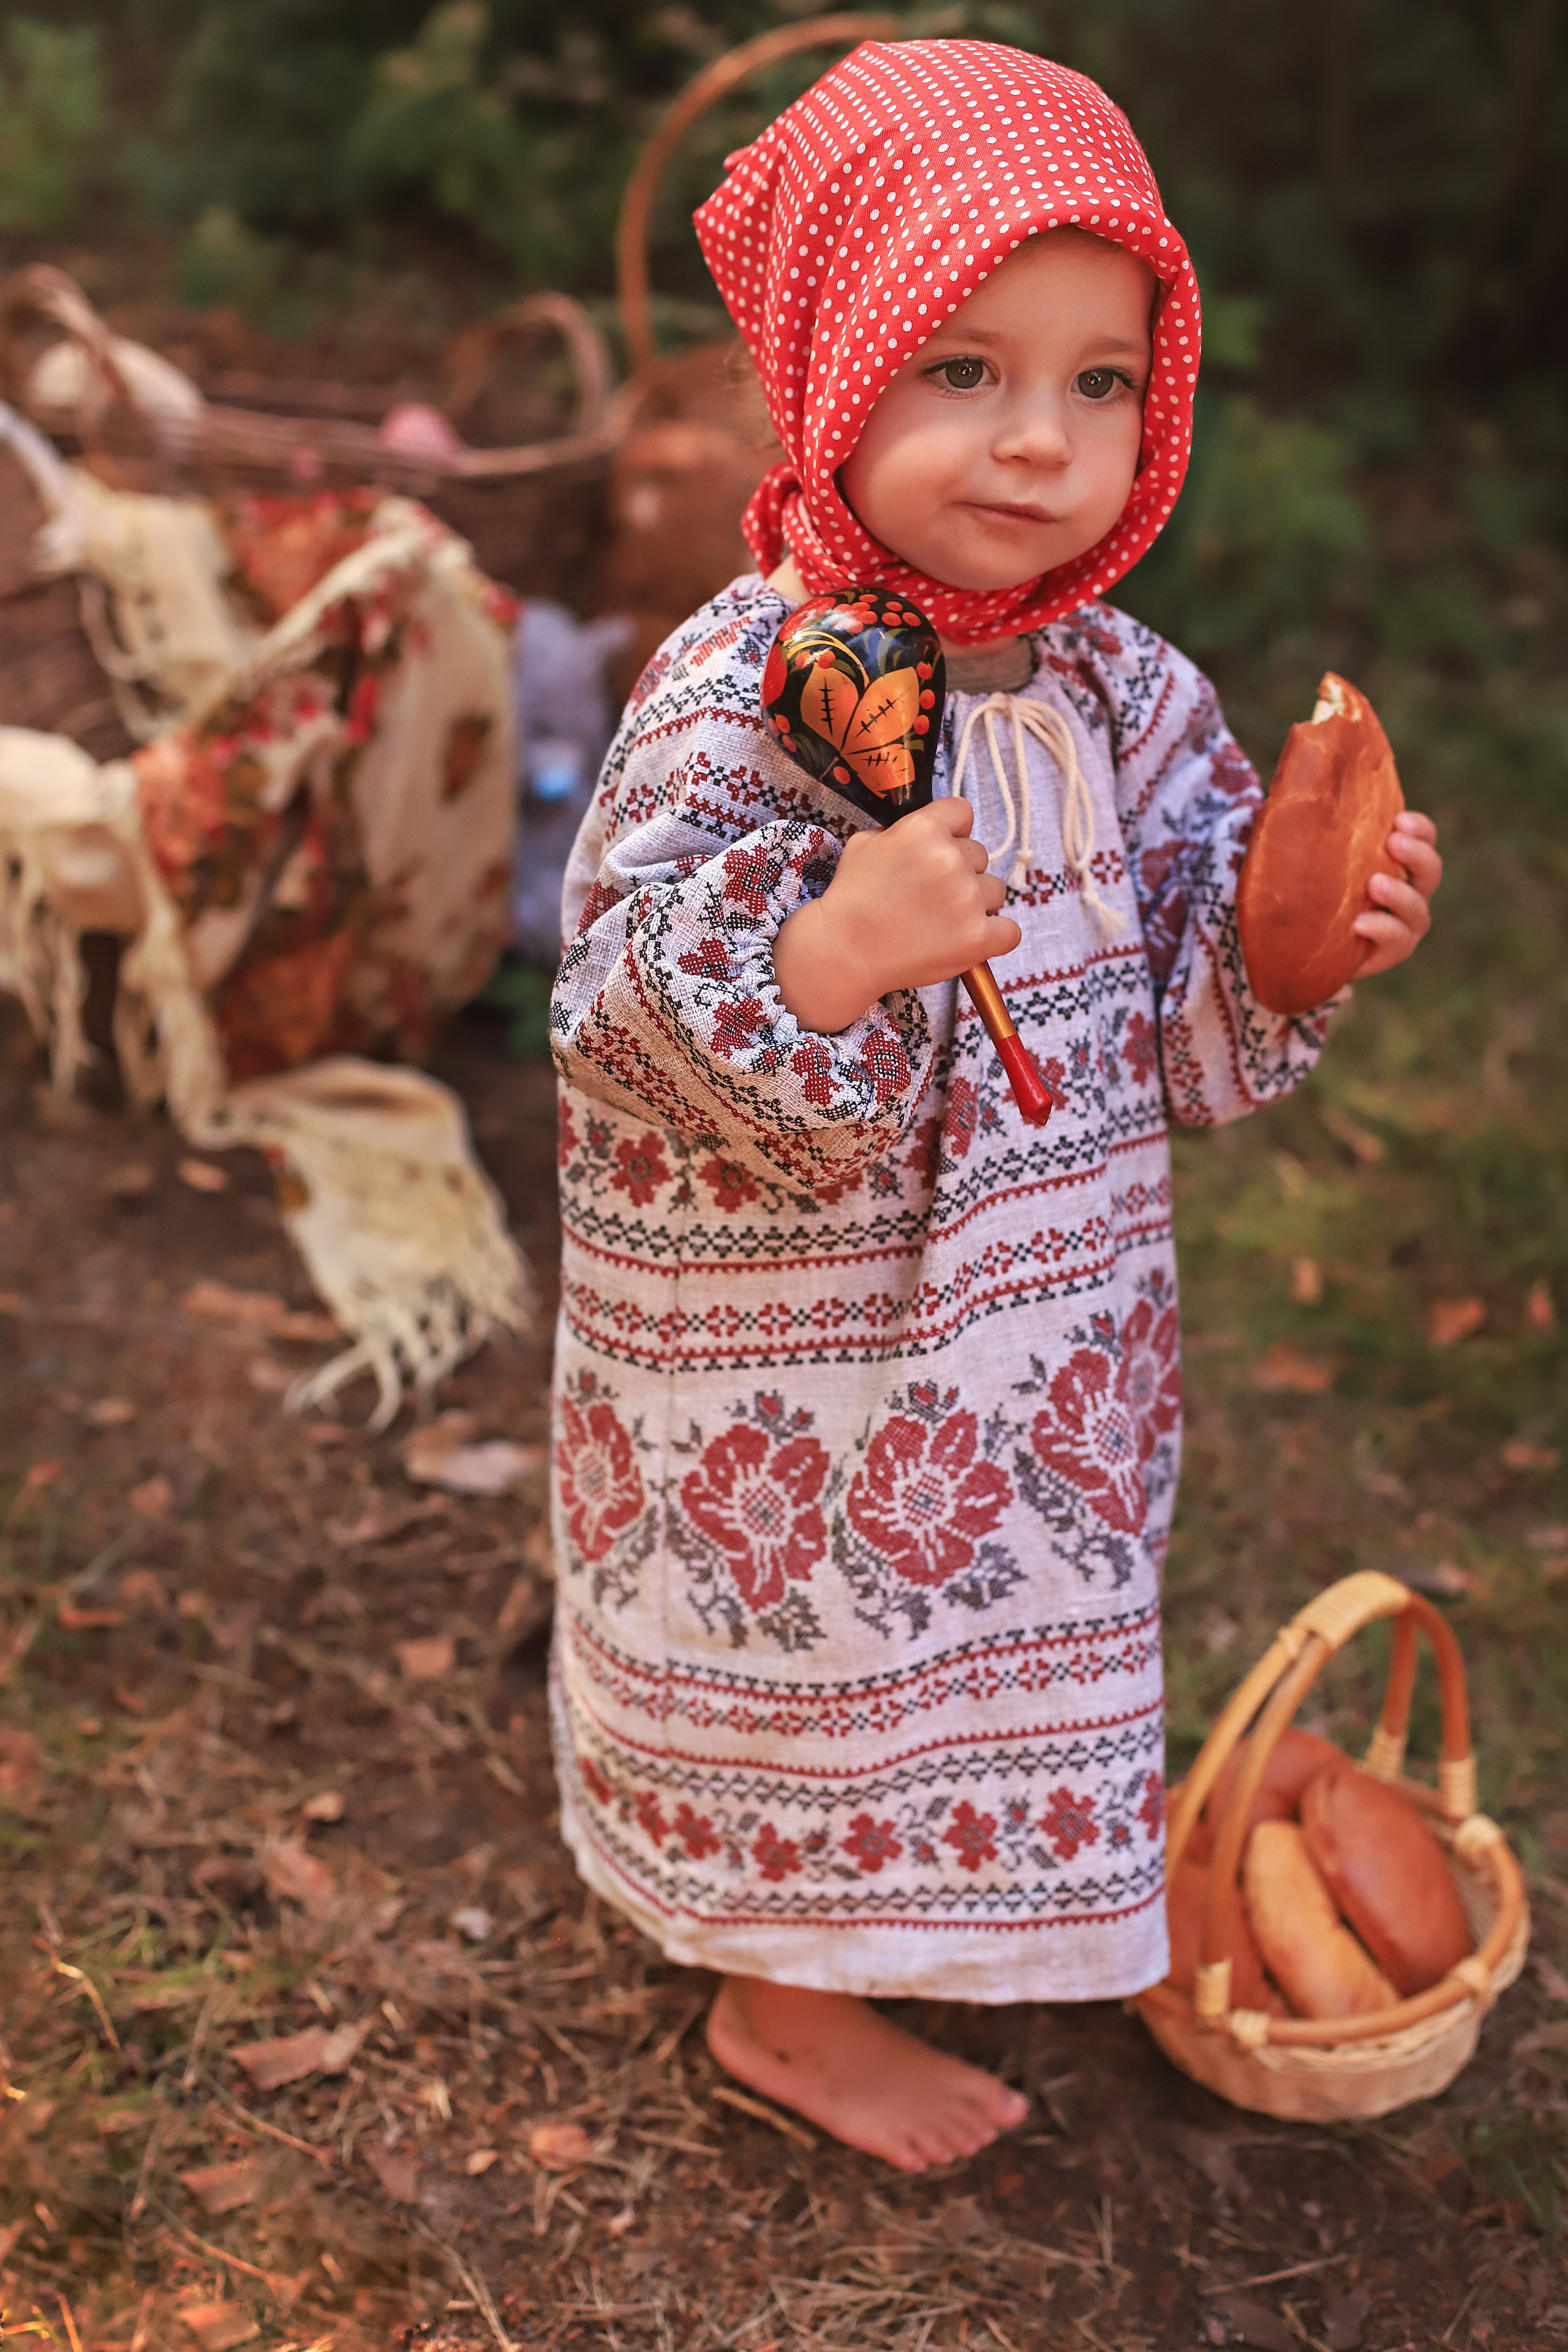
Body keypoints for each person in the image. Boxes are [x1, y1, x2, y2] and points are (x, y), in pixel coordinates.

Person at [546, 39, 1441, 2173]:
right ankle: (789, 1998)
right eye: (963, 367)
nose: (1044, 442)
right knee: (824, 1653)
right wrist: (828, 957)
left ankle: (998, 1874)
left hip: (1035, 1338)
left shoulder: (1126, 694)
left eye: (1103, 382)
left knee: (1000, 1615)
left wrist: (1295, 942)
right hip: (812, 1361)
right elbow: (610, 1009)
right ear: (833, 368)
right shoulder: (755, 685)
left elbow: (1185, 1011)